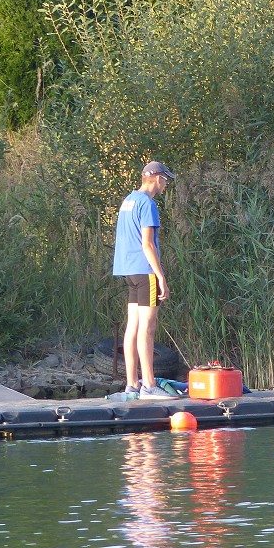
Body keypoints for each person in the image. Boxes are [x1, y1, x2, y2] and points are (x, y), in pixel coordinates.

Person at [112, 161, 179, 400]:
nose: (165, 186)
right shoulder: (148, 204)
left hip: (129, 271)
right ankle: (149, 386)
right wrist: (161, 276)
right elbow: (147, 244)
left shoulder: (128, 201)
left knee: (132, 327)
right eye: (166, 181)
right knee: (148, 329)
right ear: (158, 178)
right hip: (146, 271)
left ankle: (132, 384)